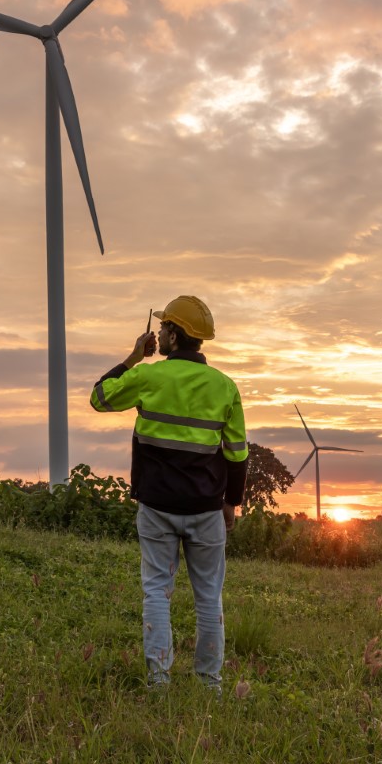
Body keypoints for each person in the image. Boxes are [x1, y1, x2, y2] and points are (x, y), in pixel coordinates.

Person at [88, 295, 248, 691]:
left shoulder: (148, 377)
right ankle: (210, 683)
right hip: (206, 508)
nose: (157, 332)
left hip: (157, 506)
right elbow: (237, 453)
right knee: (209, 597)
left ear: (174, 336)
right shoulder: (225, 387)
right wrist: (231, 502)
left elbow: (99, 397)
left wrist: (132, 358)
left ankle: (159, 681)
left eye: (162, 328)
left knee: (156, 592)